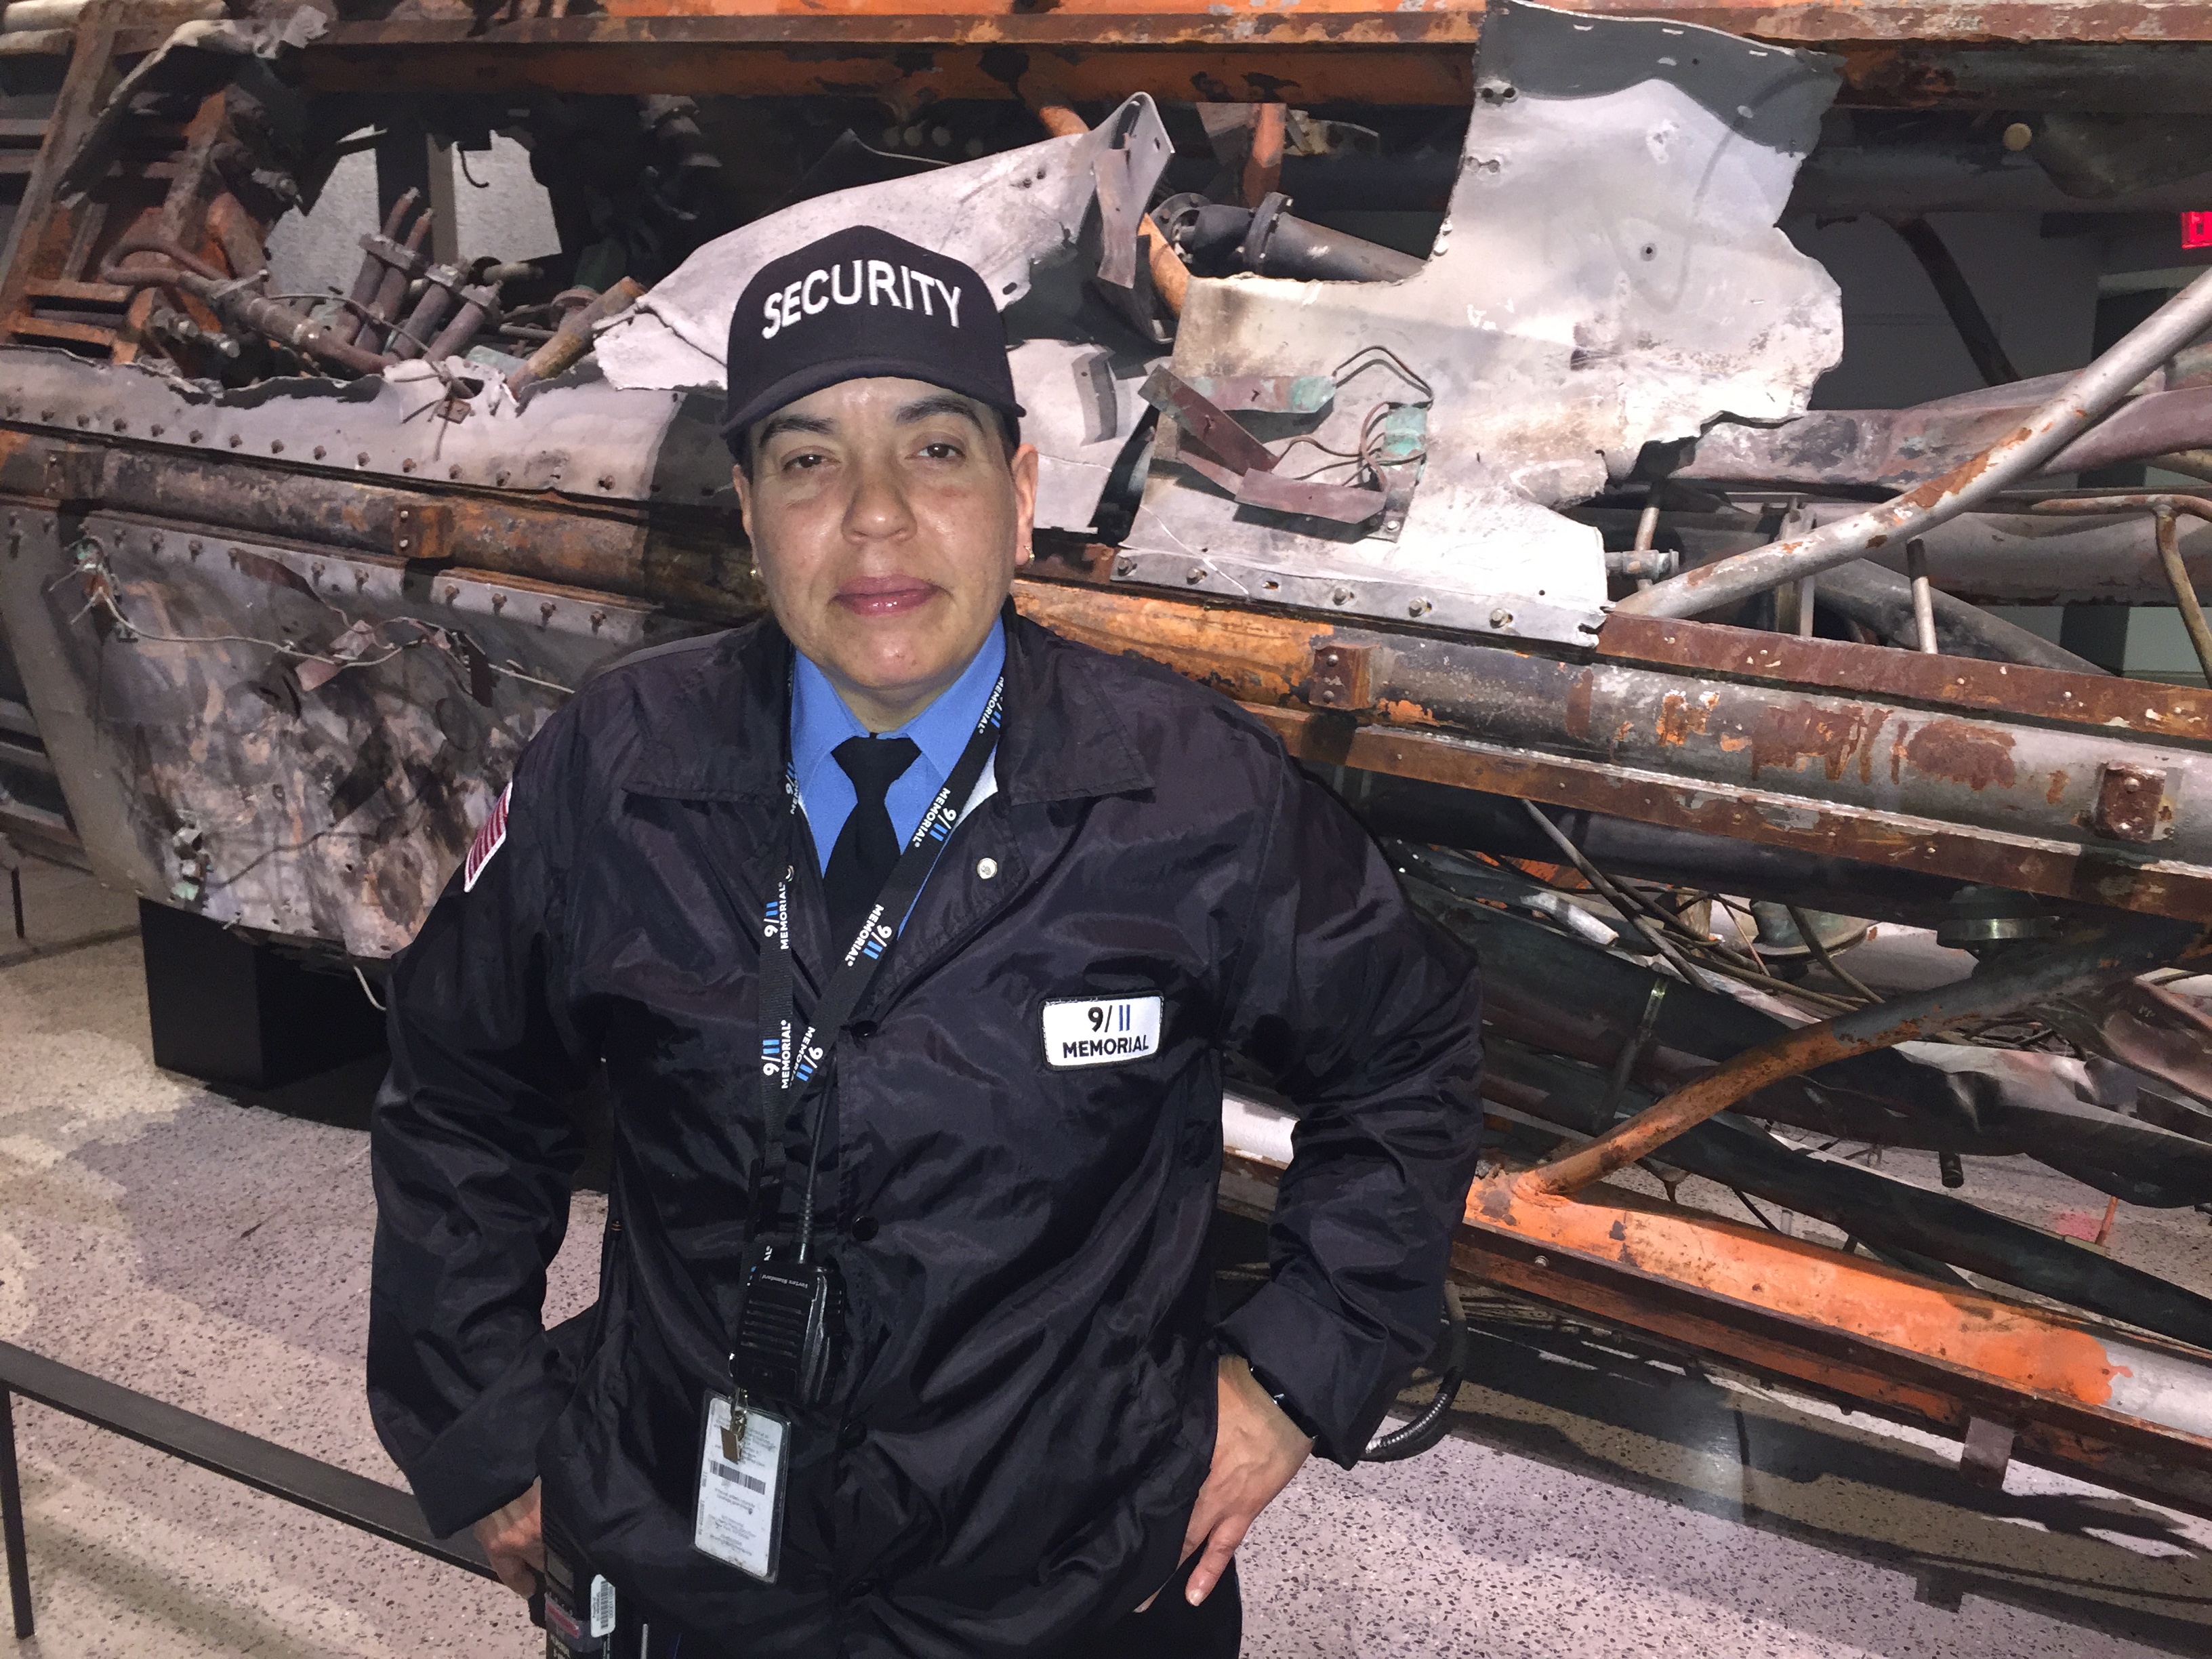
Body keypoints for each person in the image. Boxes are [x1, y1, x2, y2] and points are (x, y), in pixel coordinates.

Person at [367, 224, 1484, 1659]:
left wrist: (1292, 1378)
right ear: (750, 514)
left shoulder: (1193, 791)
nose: (878, 517)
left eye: (938, 451)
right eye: (810, 461)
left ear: (1023, 495)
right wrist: (483, 1432)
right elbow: (464, 1093)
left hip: (1075, 1587)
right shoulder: (612, 770)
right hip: (690, 1561)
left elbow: (1404, 1052)